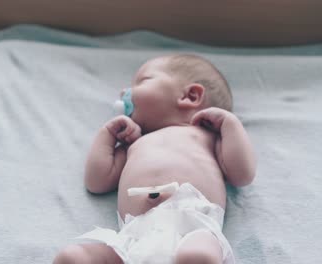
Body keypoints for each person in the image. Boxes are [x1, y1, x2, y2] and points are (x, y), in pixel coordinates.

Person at [54, 54, 257, 264]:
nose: (124, 93)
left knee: (197, 255)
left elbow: (242, 175)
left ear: (190, 96)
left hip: (192, 226)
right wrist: (107, 134)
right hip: (134, 239)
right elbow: (96, 182)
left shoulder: (206, 137)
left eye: (142, 81)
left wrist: (230, 125)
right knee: (72, 257)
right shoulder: (134, 144)